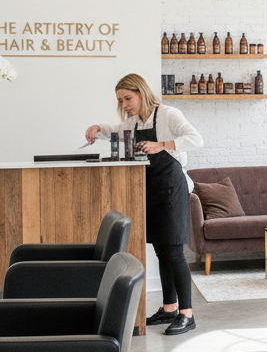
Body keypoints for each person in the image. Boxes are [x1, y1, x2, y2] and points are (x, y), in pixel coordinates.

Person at [85, 73, 204, 336]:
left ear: (141, 93)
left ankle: (187, 314)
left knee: (174, 252)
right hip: (152, 190)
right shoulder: (135, 122)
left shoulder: (168, 114)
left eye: (128, 98)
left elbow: (196, 139)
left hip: (172, 189)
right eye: (121, 100)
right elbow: (116, 131)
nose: (125, 104)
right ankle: (169, 308)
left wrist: (162, 145)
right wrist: (97, 127)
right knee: (162, 251)